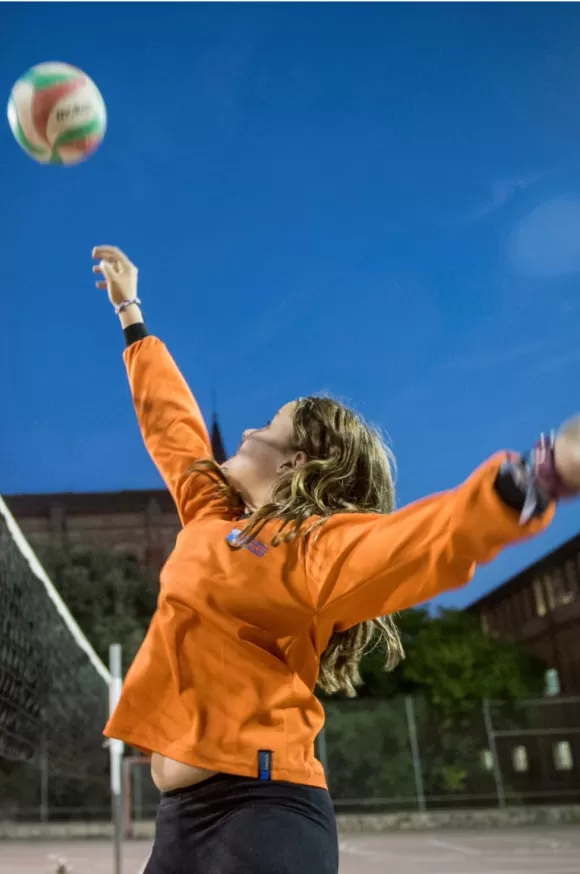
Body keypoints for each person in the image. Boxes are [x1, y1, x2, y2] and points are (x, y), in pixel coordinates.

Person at [94, 244, 580, 874]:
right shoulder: (212, 519)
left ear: (295, 463)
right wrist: (131, 312)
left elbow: (417, 544)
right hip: (182, 820)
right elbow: (173, 428)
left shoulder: (311, 549)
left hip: (261, 815)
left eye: (268, 424)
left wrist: (536, 477)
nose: (247, 431)